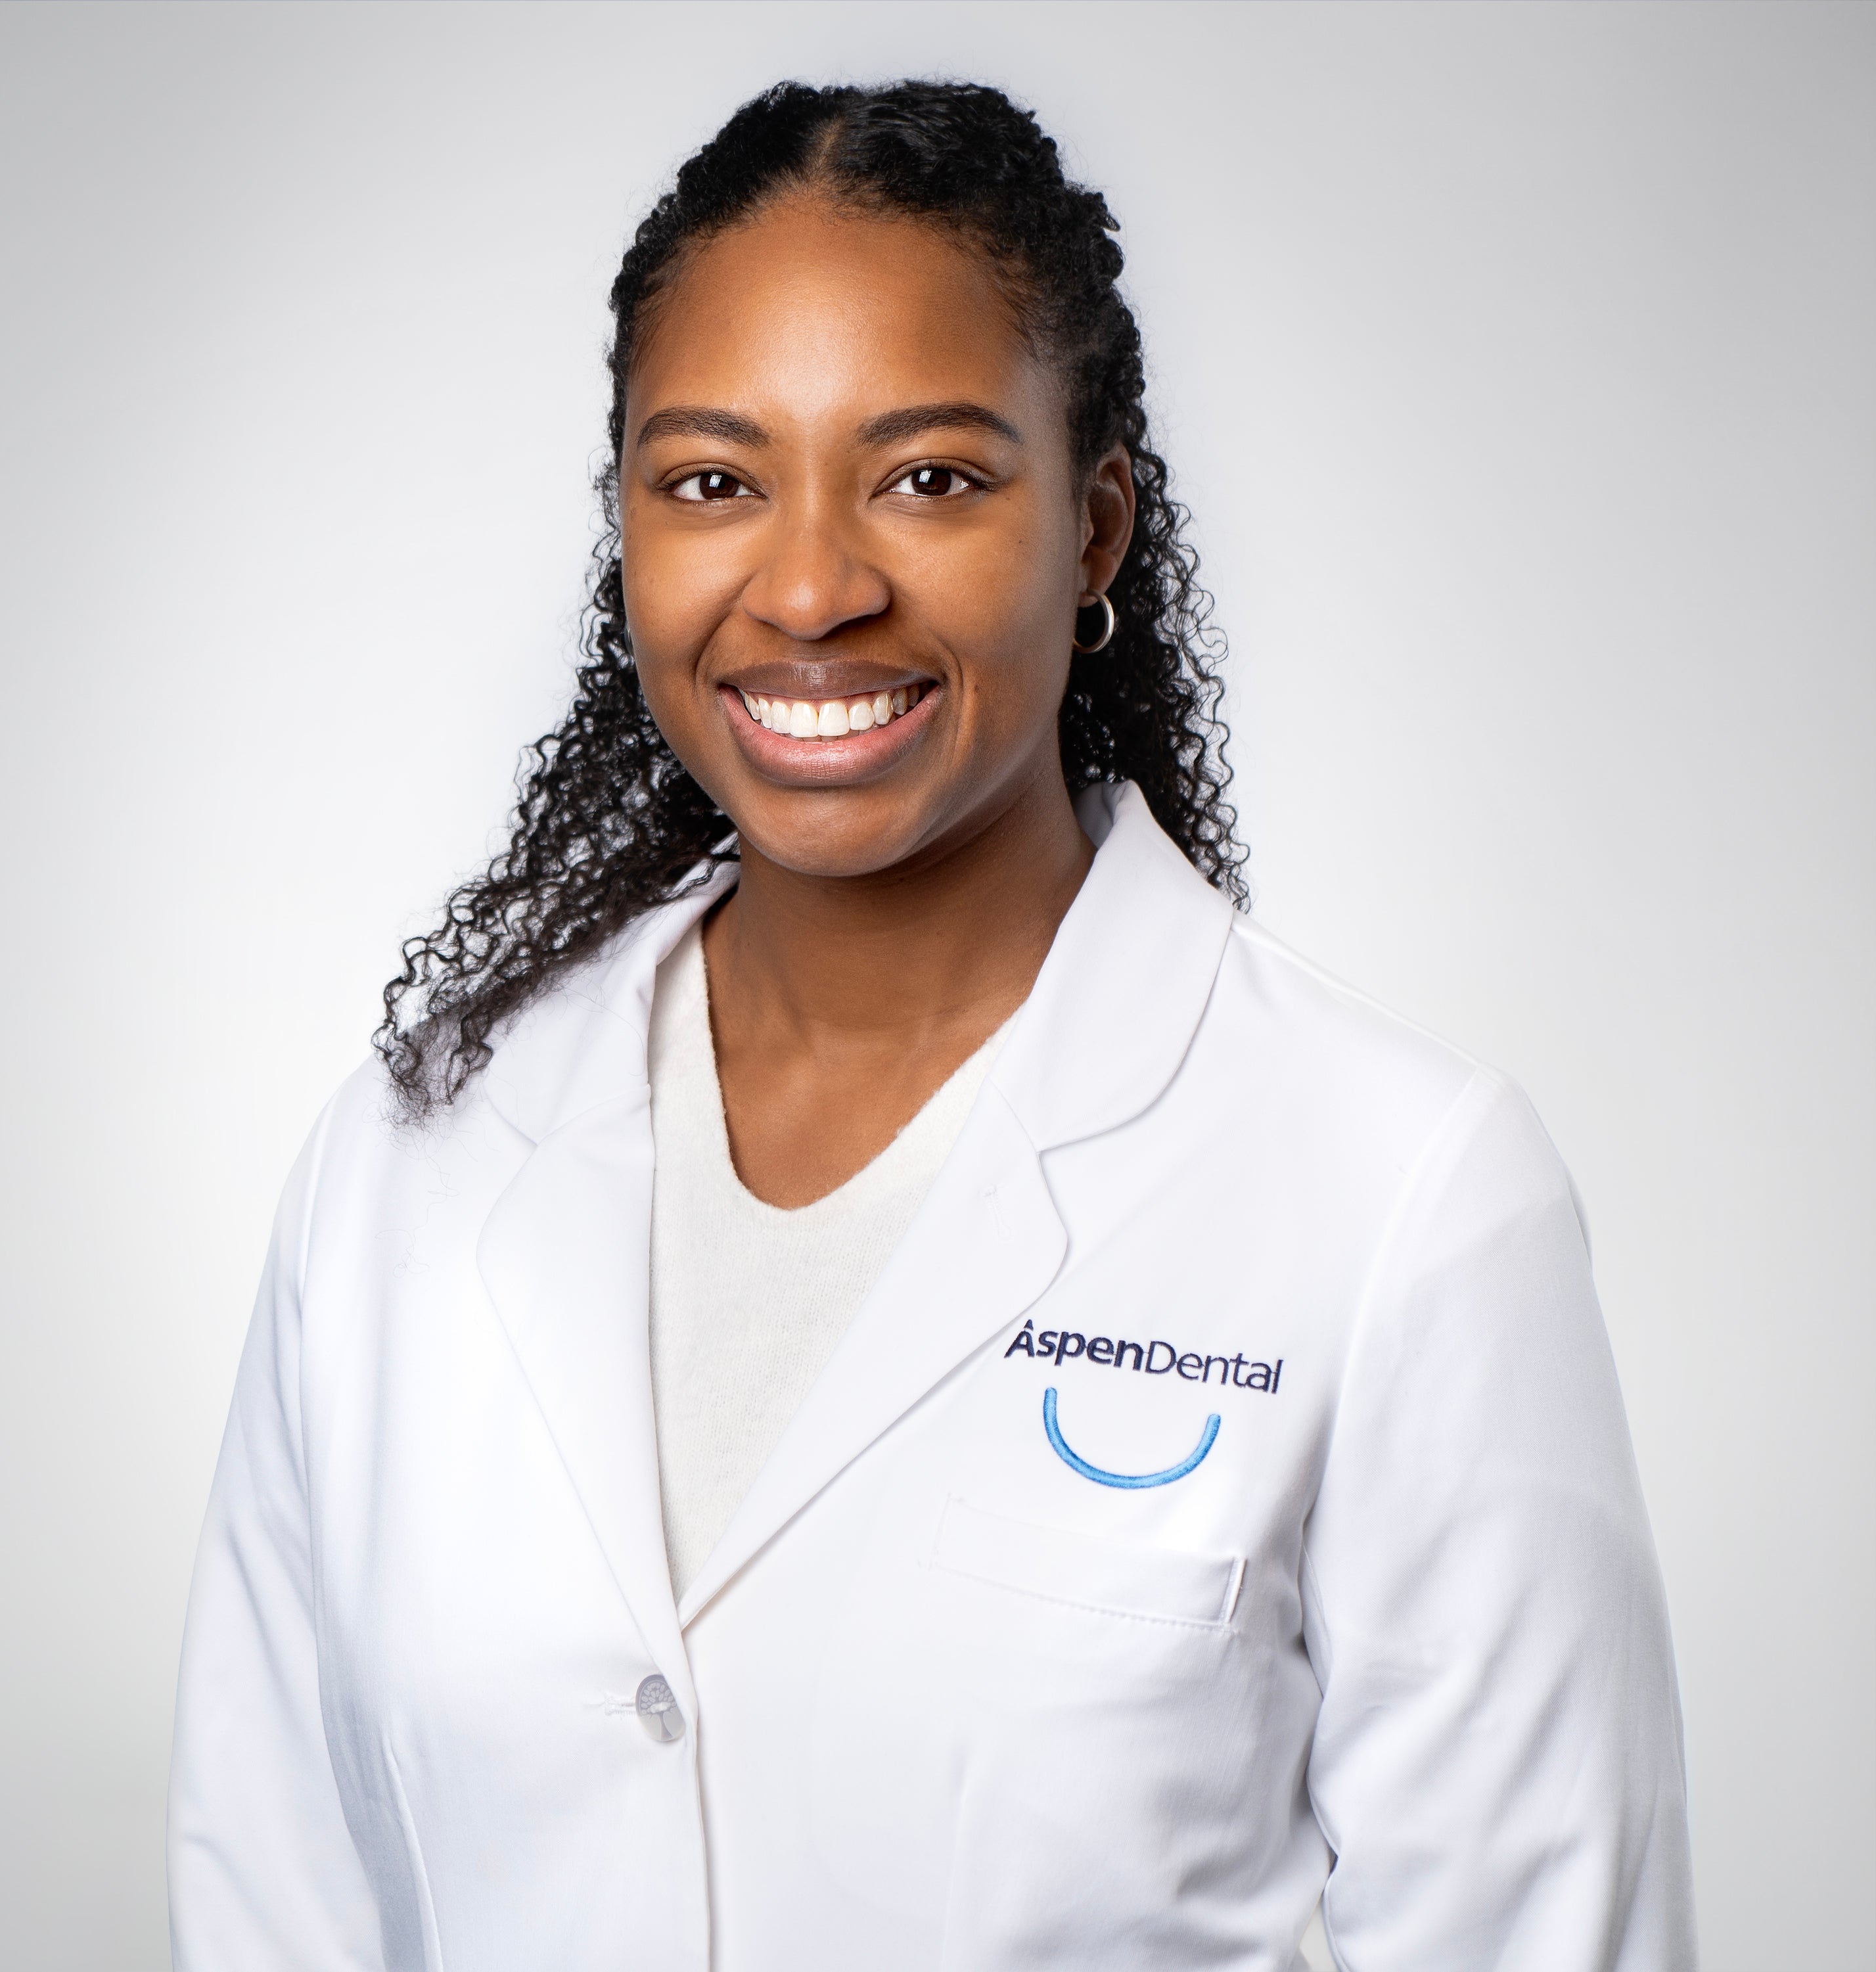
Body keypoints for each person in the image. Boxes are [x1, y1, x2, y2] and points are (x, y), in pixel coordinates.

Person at [168, 80, 1696, 1972]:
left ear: (1095, 525)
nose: (813, 586)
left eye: (933, 478)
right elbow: (282, 1892)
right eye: (713, 481)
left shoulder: (1404, 1195)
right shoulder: (407, 1166)